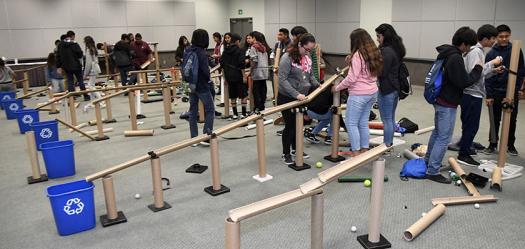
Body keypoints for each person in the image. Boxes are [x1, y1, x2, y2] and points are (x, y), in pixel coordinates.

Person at [424, 27, 483, 184]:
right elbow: (463, 82)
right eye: (469, 46)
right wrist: (478, 70)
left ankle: (428, 160)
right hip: (447, 102)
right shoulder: (455, 58)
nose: (468, 50)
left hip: (440, 99)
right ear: (463, 44)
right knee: (444, 137)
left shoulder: (446, 53)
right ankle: (433, 170)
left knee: (437, 133)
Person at [456, 24, 502, 166]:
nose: (495, 41)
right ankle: (463, 154)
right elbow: (473, 75)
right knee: (471, 125)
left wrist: (493, 70)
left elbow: (479, 74)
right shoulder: (476, 52)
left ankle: (466, 147)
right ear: (486, 38)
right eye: (493, 38)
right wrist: (492, 64)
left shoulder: (476, 51)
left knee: (469, 124)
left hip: (473, 94)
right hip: (471, 95)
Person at [336, 28, 382, 156]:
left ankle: (355, 152)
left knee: (351, 123)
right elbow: (363, 69)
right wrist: (351, 60)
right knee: (362, 122)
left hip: (359, 95)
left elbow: (352, 78)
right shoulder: (374, 53)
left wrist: (337, 87)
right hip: (372, 93)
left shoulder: (358, 55)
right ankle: (364, 149)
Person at [483, 24, 525, 156]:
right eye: (501, 36)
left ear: (510, 35)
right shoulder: (491, 53)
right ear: (496, 37)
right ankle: (492, 144)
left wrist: (516, 89)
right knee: (494, 119)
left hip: (511, 92)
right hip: (495, 91)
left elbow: (521, 70)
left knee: (512, 119)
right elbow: (487, 75)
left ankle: (510, 144)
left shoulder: (516, 50)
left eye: (506, 36)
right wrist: (489, 94)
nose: (504, 39)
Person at [278, 33, 319, 165]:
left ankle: (296, 149)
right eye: (306, 49)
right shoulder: (287, 57)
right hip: (287, 97)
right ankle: (286, 153)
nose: (308, 52)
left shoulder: (306, 58)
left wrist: (319, 86)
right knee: (290, 126)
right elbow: (282, 80)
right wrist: (296, 94)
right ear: (300, 45)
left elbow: (310, 75)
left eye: (310, 50)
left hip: (301, 97)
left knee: (298, 125)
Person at [375, 24, 406, 147]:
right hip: (394, 89)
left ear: (385, 36)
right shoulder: (395, 49)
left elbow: (382, 72)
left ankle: (386, 145)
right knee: (391, 118)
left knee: (386, 120)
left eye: (378, 36)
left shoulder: (387, 51)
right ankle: (389, 143)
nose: (377, 39)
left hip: (387, 89)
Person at [185, 29, 215, 146]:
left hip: (189, 83)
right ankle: (206, 136)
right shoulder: (201, 52)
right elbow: (205, 70)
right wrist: (209, 80)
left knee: (192, 110)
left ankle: (194, 138)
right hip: (201, 84)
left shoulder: (187, 50)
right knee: (210, 109)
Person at [56, 30, 90, 100]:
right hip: (76, 65)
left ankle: (72, 97)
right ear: (72, 36)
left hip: (66, 66)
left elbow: (58, 56)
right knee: (80, 80)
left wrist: (58, 66)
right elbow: (80, 53)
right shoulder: (74, 43)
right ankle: (85, 96)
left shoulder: (60, 45)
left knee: (70, 81)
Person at [220, 33, 247, 119]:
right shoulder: (239, 51)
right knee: (243, 95)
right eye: (239, 41)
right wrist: (244, 76)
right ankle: (243, 113)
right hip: (238, 75)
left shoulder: (225, 51)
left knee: (232, 95)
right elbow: (241, 64)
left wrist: (224, 78)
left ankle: (235, 114)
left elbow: (222, 65)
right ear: (236, 41)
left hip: (229, 76)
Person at [247, 31, 270, 112]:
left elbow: (254, 60)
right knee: (263, 88)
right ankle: (262, 106)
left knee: (256, 90)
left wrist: (250, 70)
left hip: (257, 71)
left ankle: (257, 107)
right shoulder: (263, 47)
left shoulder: (254, 47)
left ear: (254, 38)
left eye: (251, 37)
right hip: (264, 70)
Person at [83, 36, 104, 111]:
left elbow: (88, 63)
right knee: (91, 85)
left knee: (90, 85)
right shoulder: (93, 49)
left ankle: (101, 101)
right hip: (96, 67)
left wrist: (85, 73)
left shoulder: (89, 50)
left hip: (92, 69)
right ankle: (92, 102)